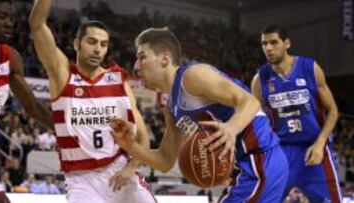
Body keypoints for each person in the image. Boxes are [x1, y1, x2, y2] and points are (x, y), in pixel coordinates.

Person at [111, 27, 288, 203]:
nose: (135, 66)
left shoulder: (192, 76)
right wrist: (130, 145)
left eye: (142, 57)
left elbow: (250, 102)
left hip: (261, 157)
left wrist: (230, 128)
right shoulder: (171, 108)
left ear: (165, 58)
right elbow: (165, 161)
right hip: (245, 168)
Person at [28, 1, 156, 203]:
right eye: (92, 42)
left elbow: (142, 136)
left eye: (103, 44)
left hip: (119, 170)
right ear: (76, 44)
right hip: (81, 180)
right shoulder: (62, 74)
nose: (98, 49)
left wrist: (130, 168)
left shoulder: (118, 81)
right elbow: (37, 24)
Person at [251, 24, 342, 202]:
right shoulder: (259, 80)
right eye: (264, 44)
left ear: (287, 43)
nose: (268, 48)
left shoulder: (310, 68)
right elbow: (255, 121)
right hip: (281, 153)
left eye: (274, 42)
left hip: (314, 148)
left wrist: (320, 142)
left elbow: (332, 111)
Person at [0, 1, 53, 202]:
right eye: (2, 16)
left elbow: (33, 107)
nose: (9, 23)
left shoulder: (10, 59)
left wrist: (69, 133)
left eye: (11, 18)